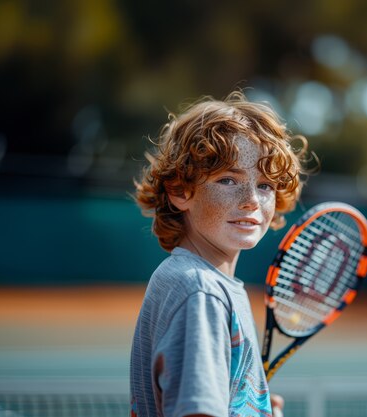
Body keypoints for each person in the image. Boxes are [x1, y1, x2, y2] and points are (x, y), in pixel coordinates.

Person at [130, 90, 312, 417]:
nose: (252, 200)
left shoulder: (201, 284)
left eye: (266, 185)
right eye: (228, 180)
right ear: (180, 191)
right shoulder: (200, 291)